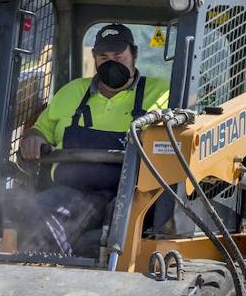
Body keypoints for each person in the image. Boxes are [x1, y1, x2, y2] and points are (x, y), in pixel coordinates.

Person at [11, 23, 169, 254]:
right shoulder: (71, 92)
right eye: (104, 56)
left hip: (135, 196)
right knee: (36, 209)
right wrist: (33, 138)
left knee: (119, 227)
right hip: (72, 192)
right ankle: (40, 270)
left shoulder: (162, 92)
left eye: (118, 55)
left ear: (134, 55)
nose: (111, 62)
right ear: (94, 58)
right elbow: (41, 130)